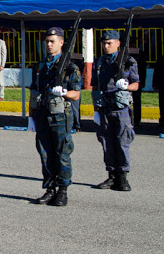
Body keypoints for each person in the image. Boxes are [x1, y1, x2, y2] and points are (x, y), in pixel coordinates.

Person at [28, 27, 81, 207]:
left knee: (62, 154)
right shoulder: (41, 66)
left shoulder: (70, 67)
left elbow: (77, 94)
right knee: (45, 154)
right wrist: (31, 116)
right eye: (47, 41)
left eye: (53, 41)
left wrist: (65, 92)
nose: (49, 45)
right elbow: (33, 91)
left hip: (60, 116)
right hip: (42, 114)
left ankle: (63, 190)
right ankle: (50, 189)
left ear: (61, 42)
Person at [91, 30, 139, 192]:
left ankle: (122, 176)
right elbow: (95, 86)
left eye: (109, 43)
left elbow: (136, 84)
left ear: (118, 43)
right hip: (104, 108)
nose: (106, 46)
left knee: (122, 141)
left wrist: (126, 86)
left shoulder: (127, 61)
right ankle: (111, 175)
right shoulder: (99, 62)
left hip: (121, 109)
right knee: (106, 142)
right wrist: (95, 110)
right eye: (104, 43)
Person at [153, 54, 164, 130]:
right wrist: (155, 84)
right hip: (162, 84)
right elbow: (156, 72)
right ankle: (162, 121)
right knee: (162, 104)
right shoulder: (161, 59)